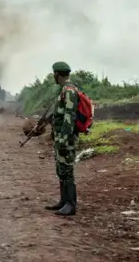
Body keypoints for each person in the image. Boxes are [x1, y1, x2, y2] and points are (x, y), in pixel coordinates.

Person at [45, 61, 78, 216]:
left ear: (57, 74)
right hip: (60, 137)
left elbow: (69, 117)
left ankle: (70, 205)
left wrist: (64, 138)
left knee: (67, 170)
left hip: (66, 138)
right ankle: (63, 201)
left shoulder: (69, 91)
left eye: (54, 74)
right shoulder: (64, 90)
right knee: (61, 170)